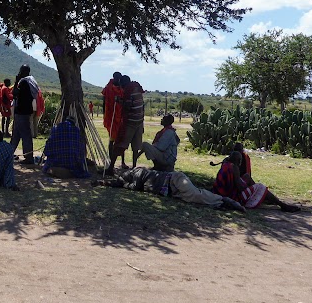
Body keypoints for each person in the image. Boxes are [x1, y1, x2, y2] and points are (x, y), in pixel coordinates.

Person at [92, 166, 245, 211]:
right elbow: (118, 183)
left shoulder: (137, 172)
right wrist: (101, 183)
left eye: (123, 178)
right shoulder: (133, 175)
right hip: (173, 189)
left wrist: (123, 184)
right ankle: (221, 204)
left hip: (175, 180)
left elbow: (134, 187)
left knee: (195, 195)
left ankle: (225, 200)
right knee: (194, 199)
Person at [212, 143, 300, 212]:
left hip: (221, 192)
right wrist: (248, 187)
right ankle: (281, 205)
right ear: (238, 160)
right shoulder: (234, 167)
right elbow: (239, 186)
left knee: (247, 177)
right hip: (232, 196)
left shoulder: (226, 162)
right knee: (260, 187)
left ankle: (266, 197)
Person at [107, 75, 145, 174]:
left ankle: (111, 168)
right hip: (139, 121)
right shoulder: (137, 88)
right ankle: (134, 168)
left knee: (119, 143)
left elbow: (127, 106)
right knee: (135, 147)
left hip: (131, 122)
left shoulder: (129, 91)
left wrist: (119, 101)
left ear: (124, 83)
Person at [10, 64, 40, 165]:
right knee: (16, 134)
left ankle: (29, 158)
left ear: (23, 72)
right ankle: (9, 155)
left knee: (25, 135)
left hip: (21, 111)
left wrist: (16, 81)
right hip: (27, 111)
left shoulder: (23, 82)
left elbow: (14, 93)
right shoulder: (31, 81)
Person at [101, 71, 124, 163]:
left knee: (121, 140)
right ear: (114, 78)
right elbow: (104, 101)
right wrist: (105, 114)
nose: (118, 80)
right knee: (112, 139)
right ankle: (111, 159)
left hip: (120, 117)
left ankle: (122, 161)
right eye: (117, 78)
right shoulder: (108, 88)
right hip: (110, 117)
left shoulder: (121, 88)